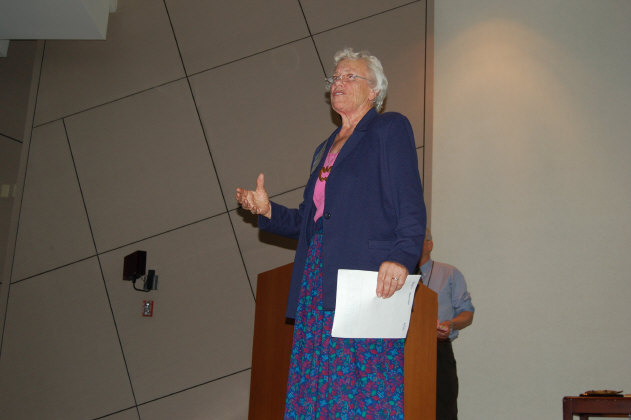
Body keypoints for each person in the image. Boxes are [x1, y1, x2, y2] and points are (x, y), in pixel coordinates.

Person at [236, 48, 426, 418]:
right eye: (335, 77)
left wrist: (402, 258)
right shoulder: (325, 147)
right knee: (316, 380)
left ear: (374, 90)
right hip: (317, 276)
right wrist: (267, 210)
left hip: (366, 276)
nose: (338, 82)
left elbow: (410, 203)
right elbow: (310, 221)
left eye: (350, 76)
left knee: (361, 383)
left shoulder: (388, 128)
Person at [417, 228, 474, 420]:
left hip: (438, 351)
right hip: (404, 351)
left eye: (418, 238)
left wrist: (450, 324)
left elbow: (467, 313)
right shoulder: (398, 275)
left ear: (429, 245)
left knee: (442, 412)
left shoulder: (449, 273)